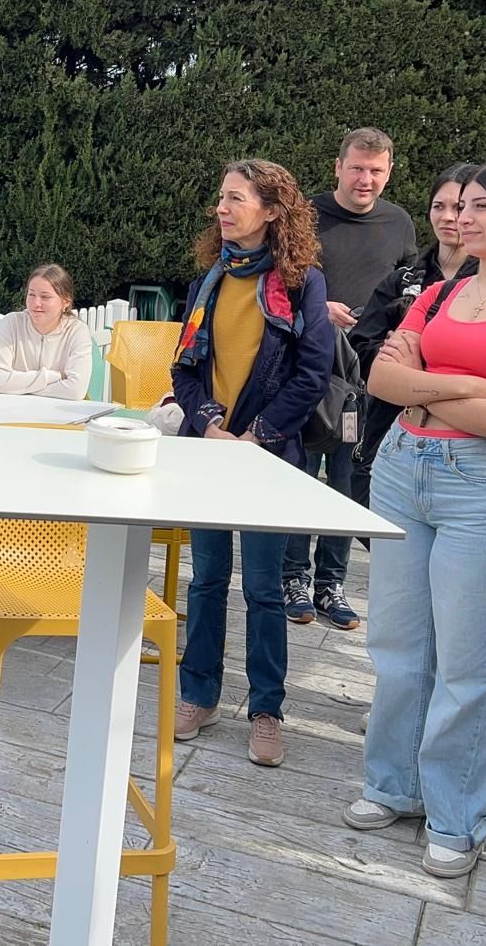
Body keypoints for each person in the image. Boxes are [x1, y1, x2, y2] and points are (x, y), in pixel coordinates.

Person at [344, 158, 486, 879]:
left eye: (482, 207)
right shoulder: (440, 294)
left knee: (469, 664)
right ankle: (394, 784)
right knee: (397, 644)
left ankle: (458, 814)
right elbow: (380, 379)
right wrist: (465, 384)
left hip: (480, 489)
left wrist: (425, 390)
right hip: (402, 468)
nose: (464, 218)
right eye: (462, 205)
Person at [169, 159, 334, 768]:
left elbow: (313, 373)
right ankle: (197, 694)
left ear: (270, 211)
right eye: (221, 197)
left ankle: (267, 710)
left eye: (235, 199)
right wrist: (212, 423)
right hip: (210, 453)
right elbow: (183, 368)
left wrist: (257, 435)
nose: (222, 207)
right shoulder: (208, 280)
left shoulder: (301, 283)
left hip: (269, 458)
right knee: (207, 581)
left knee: (265, 590)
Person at [285, 127, 418, 631]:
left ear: (389, 173)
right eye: (357, 168)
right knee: (301, 475)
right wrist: (317, 306)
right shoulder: (307, 216)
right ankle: (293, 575)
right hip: (307, 368)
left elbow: (411, 291)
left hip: (365, 376)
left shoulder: (400, 223)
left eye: (376, 170)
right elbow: (277, 283)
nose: (366, 179)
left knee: (345, 481)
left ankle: (331, 583)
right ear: (338, 166)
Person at [349, 162, 481, 512]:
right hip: (388, 428)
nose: (450, 217)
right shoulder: (401, 280)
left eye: (461, 207)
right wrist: (394, 356)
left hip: (463, 439)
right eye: (440, 206)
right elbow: (360, 348)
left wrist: (410, 356)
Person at [0, 263, 94, 398]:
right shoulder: (12, 323)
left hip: (59, 414)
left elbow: (76, 391)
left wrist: (19, 387)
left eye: (45, 297)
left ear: (65, 302)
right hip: (15, 411)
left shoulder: (77, 331)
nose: (36, 303)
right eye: (31, 294)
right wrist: (54, 376)